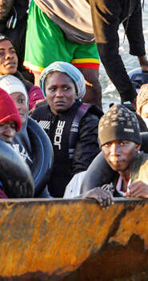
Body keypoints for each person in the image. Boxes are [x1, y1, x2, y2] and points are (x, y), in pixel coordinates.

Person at [30, 62, 102, 197]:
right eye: (53, 89)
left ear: (76, 91)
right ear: (45, 91)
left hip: (74, 192)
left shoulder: (89, 120)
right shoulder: (35, 116)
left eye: (66, 88)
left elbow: (83, 168)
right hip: (37, 190)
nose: (59, 94)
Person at [0, 31, 44, 109]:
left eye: (12, 51)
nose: (9, 56)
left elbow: (39, 106)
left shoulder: (31, 91)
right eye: (1, 53)